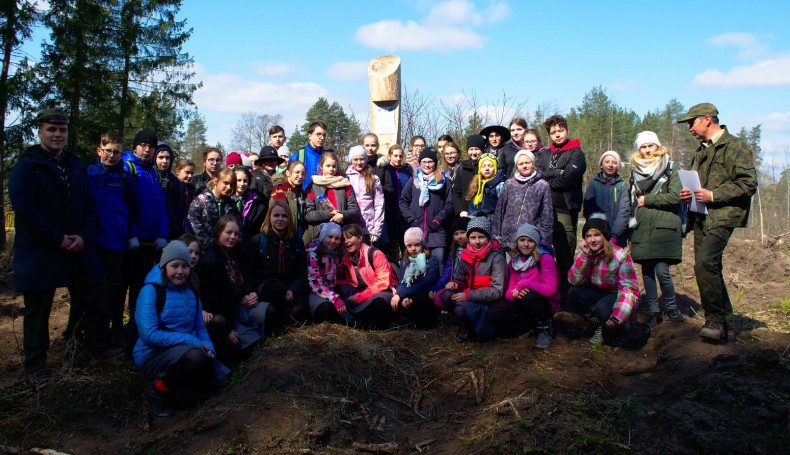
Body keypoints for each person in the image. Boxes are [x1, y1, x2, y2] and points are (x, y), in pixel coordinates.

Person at [10, 108, 114, 387]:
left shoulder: (73, 164)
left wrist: (83, 236)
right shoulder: (28, 166)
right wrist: (57, 238)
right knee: (39, 307)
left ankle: (83, 347)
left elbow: (88, 204)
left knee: (93, 291)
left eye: (62, 130)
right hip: (41, 247)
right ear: (40, 132)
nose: (57, 135)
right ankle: (36, 364)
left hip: (77, 244)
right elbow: (25, 209)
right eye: (51, 130)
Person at [676, 103, 757, 342]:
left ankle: (713, 319)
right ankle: (727, 325)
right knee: (710, 268)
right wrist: (687, 194)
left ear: (707, 120)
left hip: (723, 215)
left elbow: (748, 183)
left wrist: (713, 195)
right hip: (700, 215)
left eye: (692, 123)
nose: (689, 128)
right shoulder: (701, 151)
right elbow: (695, 182)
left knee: (705, 264)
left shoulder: (734, 146)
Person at [133, 241, 225, 419]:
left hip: (181, 348)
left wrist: (208, 345)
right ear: (164, 266)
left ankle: (178, 389)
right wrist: (194, 342)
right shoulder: (151, 291)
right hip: (151, 353)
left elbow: (199, 327)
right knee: (196, 357)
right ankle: (155, 391)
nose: (180, 271)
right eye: (174, 266)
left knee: (211, 383)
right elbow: (149, 335)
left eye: (185, 266)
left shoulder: (191, 291)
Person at [87, 132, 138, 347]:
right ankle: (87, 334)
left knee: (115, 289)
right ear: (100, 150)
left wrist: (131, 234)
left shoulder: (125, 178)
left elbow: (133, 208)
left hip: (116, 242)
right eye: (108, 151)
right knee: (91, 289)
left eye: (117, 152)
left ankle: (116, 329)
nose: (112, 156)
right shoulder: (88, 173)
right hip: (90, 241)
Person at [627, 132, 684, 328]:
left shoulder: (670, 167)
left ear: (657, 147)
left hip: (664, 226)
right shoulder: (634, 171)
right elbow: (631, 201)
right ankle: (653, 310)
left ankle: (671, 306)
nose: (647, 150)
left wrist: (649, 200)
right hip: (641, 226)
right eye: (643, 147)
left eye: (651, 146)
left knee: (662, 270)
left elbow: (676, 196)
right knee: (647, 272)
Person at [123, 128, 169, 347]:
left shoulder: (153, 173)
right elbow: (125, 207)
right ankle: (125, 333)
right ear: (135, 147)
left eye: (151, 146)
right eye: (143, 145)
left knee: (143, 287)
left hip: (151, 241)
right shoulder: (127, 169)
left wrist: (162, 234)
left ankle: (139, 327)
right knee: (128, 287)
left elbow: (161, 207)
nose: (147, 149)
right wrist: (131, 234)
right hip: (133, 242)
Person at [534, 115, 587, 296]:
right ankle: (547, 288)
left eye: (560, 130)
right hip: (544, 209)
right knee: (543, 252)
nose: (557, 135)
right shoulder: (545, 154)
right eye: (553, 132)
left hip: (564, 208)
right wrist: (556, 172)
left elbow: (570, 177)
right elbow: (538, 173)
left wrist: (548, 182)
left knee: (565, 252)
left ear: (567, 130)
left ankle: (568, 293)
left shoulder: (576, 153)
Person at [567, 215, 639, 347]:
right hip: (597, 292)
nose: (593, 240)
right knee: (573, 293)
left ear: (605, 236)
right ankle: (599, 326)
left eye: (597, 235)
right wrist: (585, 257)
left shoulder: (620, 256)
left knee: (602, 310)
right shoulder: (586, 254)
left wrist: (619, 316)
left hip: (616, 294)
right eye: (588, 236)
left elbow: (629, 289)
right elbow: (574, 280)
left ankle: (621, 332)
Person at [198, 216, 261, 360]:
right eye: (228, 232)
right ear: (218, 232)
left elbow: (245, 277)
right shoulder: (210, 260)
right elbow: (212, 300)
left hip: (236, 305)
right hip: (221, 313)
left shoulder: (235, 253)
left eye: (236, 234)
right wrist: (228, 330)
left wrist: (249, 293)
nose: (233, 237)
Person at [488, 223, 560, 348]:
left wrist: (524, 284)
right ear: (517, 242)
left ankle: (545, 329)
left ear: (536, 243)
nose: (525, 244)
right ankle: (528, 328)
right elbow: (508, 292)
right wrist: (515, 294)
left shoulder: (545, 259)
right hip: (522, 302)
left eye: (530, 241)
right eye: (522, 240)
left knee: (530, 297)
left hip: (543, 304)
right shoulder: (514, 261)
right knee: (495, 312)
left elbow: (550, 289)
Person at [242, 201, 309, 333]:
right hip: (265, 287)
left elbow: (302, 273)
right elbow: (249, 272)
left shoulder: (296, 241)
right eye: (276, 215)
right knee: (276, 293)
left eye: (284, 216)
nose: (280, 219)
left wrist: (293, 290)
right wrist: (250, 292)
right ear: (269, 217)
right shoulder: (258, 241)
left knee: (299, 310)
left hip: (288, 289)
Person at [436, 217, 506, 342]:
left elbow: (497, 292)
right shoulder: (466, 255)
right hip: (470, 296)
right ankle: (465, 324)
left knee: (460, 308)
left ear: (488, 237)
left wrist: (468, 295)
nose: (477, 242)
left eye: (481, 237)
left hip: (488, 301)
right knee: (445, 295)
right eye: (473, 238)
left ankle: (472, 328)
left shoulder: (497, 258)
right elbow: (460, 279)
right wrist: (455, 284)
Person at [398, 147, 454, 267]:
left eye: (430, 162)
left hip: (437, 231)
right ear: (420, 163)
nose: (427, 165)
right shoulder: (413, 181)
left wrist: (438, 220)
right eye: (424, 162)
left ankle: (439, 287)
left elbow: (449, 204)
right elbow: (403, 201)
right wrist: (412, 219)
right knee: (418, 266)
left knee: (438, 262)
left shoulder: (444, 181)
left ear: (435, 163)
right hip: (416, 231)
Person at [492, 149, 554, 251]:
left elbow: (547, 215)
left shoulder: (542, 185)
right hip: (507, 239)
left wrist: (545, 241)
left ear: (533, 163)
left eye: (527, 162)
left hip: (530, 241)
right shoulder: (509, 184)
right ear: (516, 166)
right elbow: (500, 210)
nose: (524, 166)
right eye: (520, 164)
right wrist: (496, 236)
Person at [337, 224, 397, 329]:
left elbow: (383, 282)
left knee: (379, 302)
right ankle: (358, 322)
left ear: (360, 238)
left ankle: (378, 324)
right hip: (363, 293)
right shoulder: (345, 260)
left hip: (382, 291)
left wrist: (360, 297)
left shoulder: (375, 254)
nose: (346, 242)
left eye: (349, 237)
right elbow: (347, 282)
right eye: (343, 240)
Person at [391, 228, 441, 328]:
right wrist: (403, 296)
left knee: (419, 301)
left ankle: (424, 322)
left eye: (416, 245)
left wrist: (402, 294)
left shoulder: (432, 260)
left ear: (422, 245)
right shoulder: (405, 261)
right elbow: (401, 281)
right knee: (395, 301)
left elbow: (426, 283)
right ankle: (409, 321)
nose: (413, 249)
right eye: (409, 245)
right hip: (408, 293)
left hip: (425, 293)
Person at [304, 152, 360, 241]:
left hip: (341, 234)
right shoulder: (313, 186)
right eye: (328, 166)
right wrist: (328, 214)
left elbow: (354, 210)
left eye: (334, 166)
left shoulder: (345, 184)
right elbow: (308, 214)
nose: (331, 169)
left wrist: (342, 215)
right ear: (321, 166)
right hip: (320, 236)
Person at [583, 150, 631, 248]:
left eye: (614, 162)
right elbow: (588, 210)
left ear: (618, 166)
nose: (610, 165)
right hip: (597, 236)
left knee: (616, 262)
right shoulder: (593, 184)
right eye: (607, 162)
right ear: (601, 165)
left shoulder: (622, 186)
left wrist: (615, 235)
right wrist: (598, 233)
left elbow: (624, 211)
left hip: (618, 237)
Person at [187, 168, 240, 249]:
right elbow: (195, 228)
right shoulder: (200, 201)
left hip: (227, 251)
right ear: (215, 181)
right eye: (225, 183)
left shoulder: (231, 204)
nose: (229, 187)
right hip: (205, 250)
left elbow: (238, 226)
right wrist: (212, 245)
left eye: (232, 184)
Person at [306, 223, 346, 324]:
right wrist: (335, 298)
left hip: (329, 290)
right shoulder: (313, 255)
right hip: (315, 292)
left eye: (337, 238)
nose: (333, 241)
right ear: (323, 236)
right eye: (330, 237)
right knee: (327, 308)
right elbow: (315, 285)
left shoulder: (334, 254)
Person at [379, 144, 413, 259]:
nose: (398, 158)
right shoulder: (385, 170)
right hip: (388, 216)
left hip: (404, 217)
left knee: (406, 247)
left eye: (400, 156)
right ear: (389, 156)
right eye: (395, 156)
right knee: (388, 248)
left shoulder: (407, 171)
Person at [345, 145, 384, 244]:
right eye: (356, 159)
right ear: (351, 161)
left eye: (362, 159)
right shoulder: (345, 178)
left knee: (368, 257)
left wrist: (376, 230)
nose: (359, 162)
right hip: (350, 227)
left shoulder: (374, 178)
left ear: (366, 159)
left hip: (369, 229)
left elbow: (379, 205)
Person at [430, 217, 470, 304]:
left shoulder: (473, 251)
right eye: (456, 234)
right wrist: (435, 288)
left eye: (463, 232)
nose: (459, 237)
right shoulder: (454, 251)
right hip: (455, 285)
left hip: (468, 287)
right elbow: (447, 274)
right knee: (437, 297)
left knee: (447, 296)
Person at [271, 160, 310, 243]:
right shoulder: (279, 191)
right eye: (297, 172)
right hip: (284, 234)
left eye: (303, 174)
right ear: (288, 173)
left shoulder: (301, 193)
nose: (300, 176)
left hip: (299, 233)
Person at [154, 141, 186, 239]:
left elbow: (179, 209)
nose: (164, 161)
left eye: (168, 158)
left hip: (171, 230)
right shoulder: (149, 178)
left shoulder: (175, 182)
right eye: (161, 157)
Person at [462, 152, 506, 220]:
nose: (487, 168)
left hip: (491, 220)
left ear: (495, 168)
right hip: (474, 219)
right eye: (483, 166)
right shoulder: (476, 183)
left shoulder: (499, 184)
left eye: (490, 166)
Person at [453, 134, 486, 215]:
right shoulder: (462, 167)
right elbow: (456, 192)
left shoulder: (487, 167)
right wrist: (460, 210)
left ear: (482, 150)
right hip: (465, 212)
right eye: (471, 149)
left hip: (482, 213)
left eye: (477, 149)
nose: (474, 152)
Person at [232, 166, 267, 242]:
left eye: (245, 181)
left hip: (249, 242)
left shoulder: (257, 201)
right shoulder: (226, 199)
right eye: (239, 180)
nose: (242, 184)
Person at [290, 121, 327, 190]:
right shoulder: (298, 155)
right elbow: (289, 180)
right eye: (318, 134)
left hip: (325, 197)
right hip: (304, 197)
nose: (322, 138)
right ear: (309, 136)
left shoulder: (327, 156)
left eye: (324, 135)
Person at [174, 159, 197, 233]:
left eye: (192, 173)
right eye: (187, 172)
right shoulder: (173, 188)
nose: (190, 176)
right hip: (176, 227)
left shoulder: (191, 190)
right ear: (177, 171)